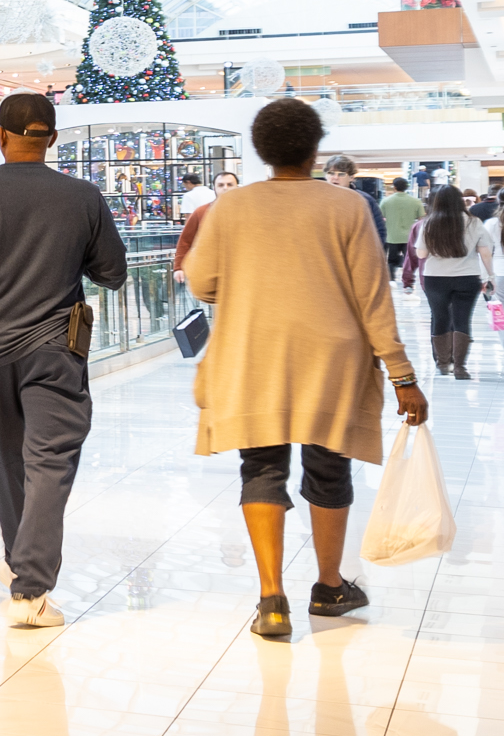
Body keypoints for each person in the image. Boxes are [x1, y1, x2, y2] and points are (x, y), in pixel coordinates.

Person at [189, 98, 425, 639]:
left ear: (261, 151)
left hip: (253, 356)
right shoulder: (347, 208)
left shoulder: (231, 208)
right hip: (332, 360)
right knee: (328, 466)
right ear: (316, 150)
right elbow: (373, 298)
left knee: (262, 468)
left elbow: (202, 283)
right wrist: (402, 375)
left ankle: (272, 600)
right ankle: (328, 585)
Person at [0, 93, 127, 629]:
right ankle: (29, 585)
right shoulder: (82, 197)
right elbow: (113, 273)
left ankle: (23, 573)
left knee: (7, 465)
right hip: (55, 352)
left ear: (0, 134)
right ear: (52, 138)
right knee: (50, 463)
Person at [413, 184, 494, 379]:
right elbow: (485, 252)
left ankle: (443, 364)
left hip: (435, 278)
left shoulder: (429, 223)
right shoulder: (473, 222)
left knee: (440, 317)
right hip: (467, 277)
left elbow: (421, 254)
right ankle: (460, 367)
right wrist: (489, 276)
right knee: (462, 319)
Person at [325, 155, 386, 251]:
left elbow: (378, 232)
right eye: (331, 173)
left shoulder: (364, 200)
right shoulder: (318, 200)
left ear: (351, 177)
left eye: (341, 174)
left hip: (356, 257)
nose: (335, 178)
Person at [380, 176, 425, 278]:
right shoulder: (416, 201)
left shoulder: (386, 201)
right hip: (410, 237)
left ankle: (391, 280)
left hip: (391, 236)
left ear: (394, 187)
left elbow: (380, 217)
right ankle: (408, 281)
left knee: (391, 261)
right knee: (409, 260)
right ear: (406, 187)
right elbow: (421, 220)